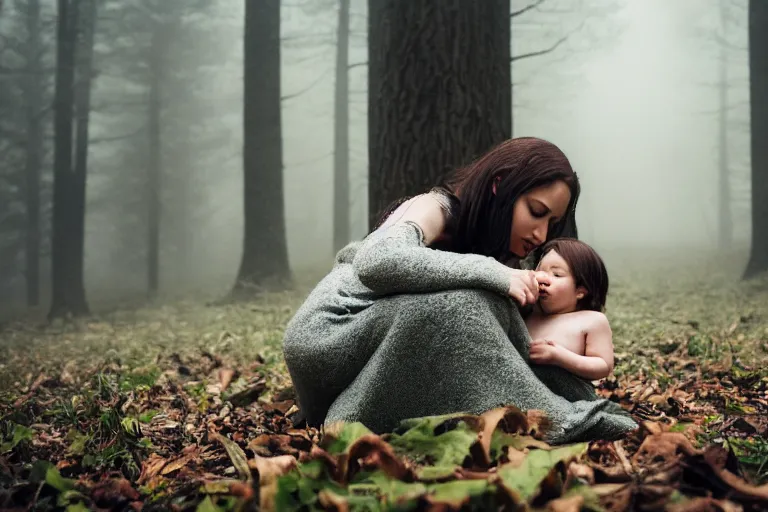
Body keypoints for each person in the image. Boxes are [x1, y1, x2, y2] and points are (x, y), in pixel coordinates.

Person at [282, 137, 637, 444]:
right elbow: (377, 262)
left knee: (481, 310)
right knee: (466, 305)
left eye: (552, 224)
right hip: (329, 339)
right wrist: (491, 272)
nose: (540, 235)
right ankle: (552, 420)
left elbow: (510, 344)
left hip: (379, 350)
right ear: (500, 185)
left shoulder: (505, 254)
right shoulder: (434, 207)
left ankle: (375, 414)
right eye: (536, 211)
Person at [525, 238, 615, 384]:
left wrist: (559, 357)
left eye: (557, 274)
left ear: (580, 291)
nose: (543, 278)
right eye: (540, 271)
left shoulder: (592, 320)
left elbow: (603, 365)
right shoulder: (530, 313)